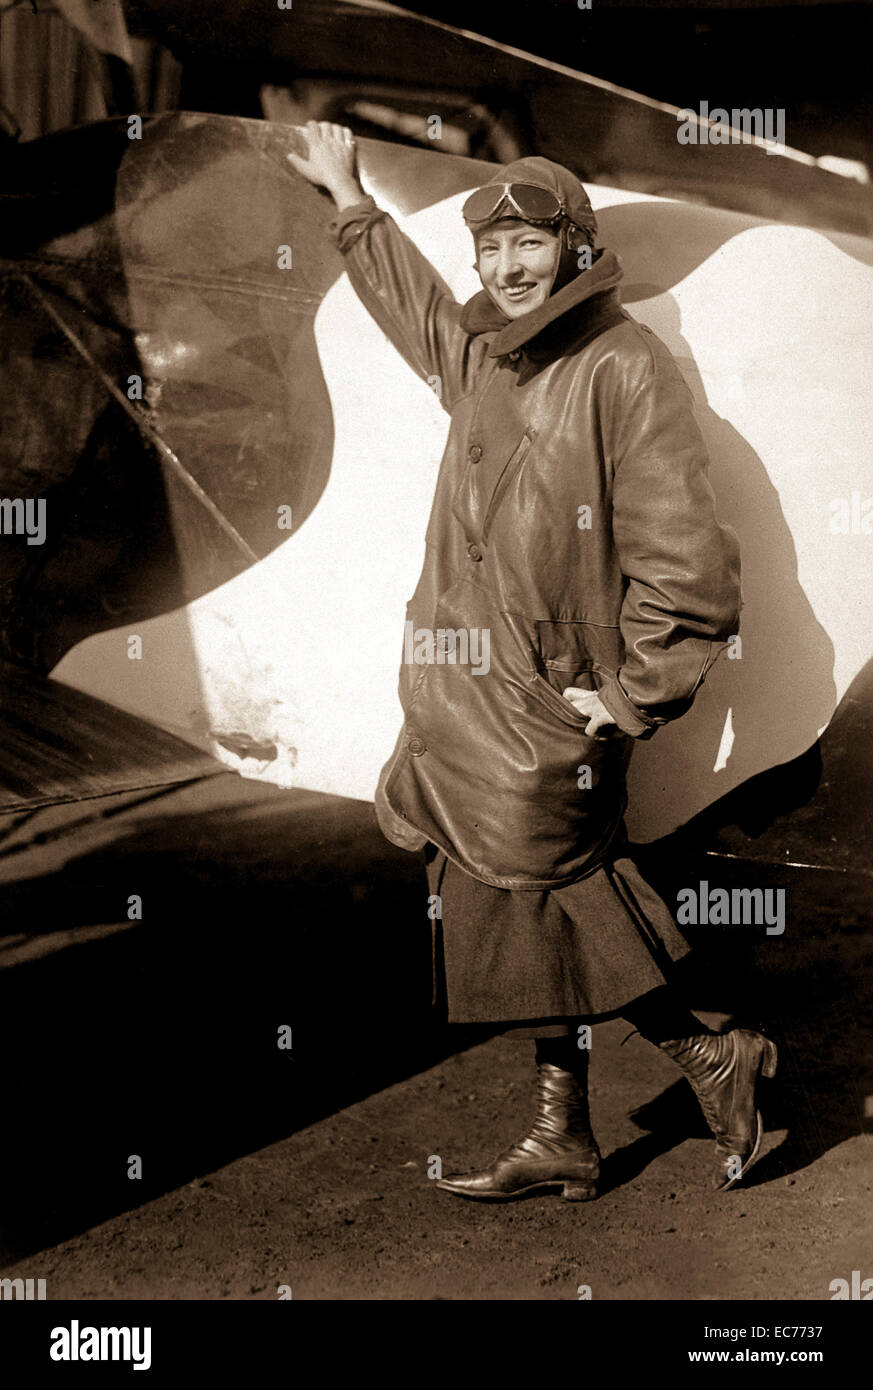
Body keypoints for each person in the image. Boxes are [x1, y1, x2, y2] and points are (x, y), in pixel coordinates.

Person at [287, 122, 777, 1202]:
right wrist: (350, 200)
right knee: (501, 898)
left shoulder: (624, 368)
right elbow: (415, 308)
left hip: (549, 703)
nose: (506, 271)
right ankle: (562, 1128)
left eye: (530, 246)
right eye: (488, 253)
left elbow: (687, 560)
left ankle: (710, 1049)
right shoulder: (488, 355)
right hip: (460, 692)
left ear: (576, 244)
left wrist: (635, 690)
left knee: (542, 893)